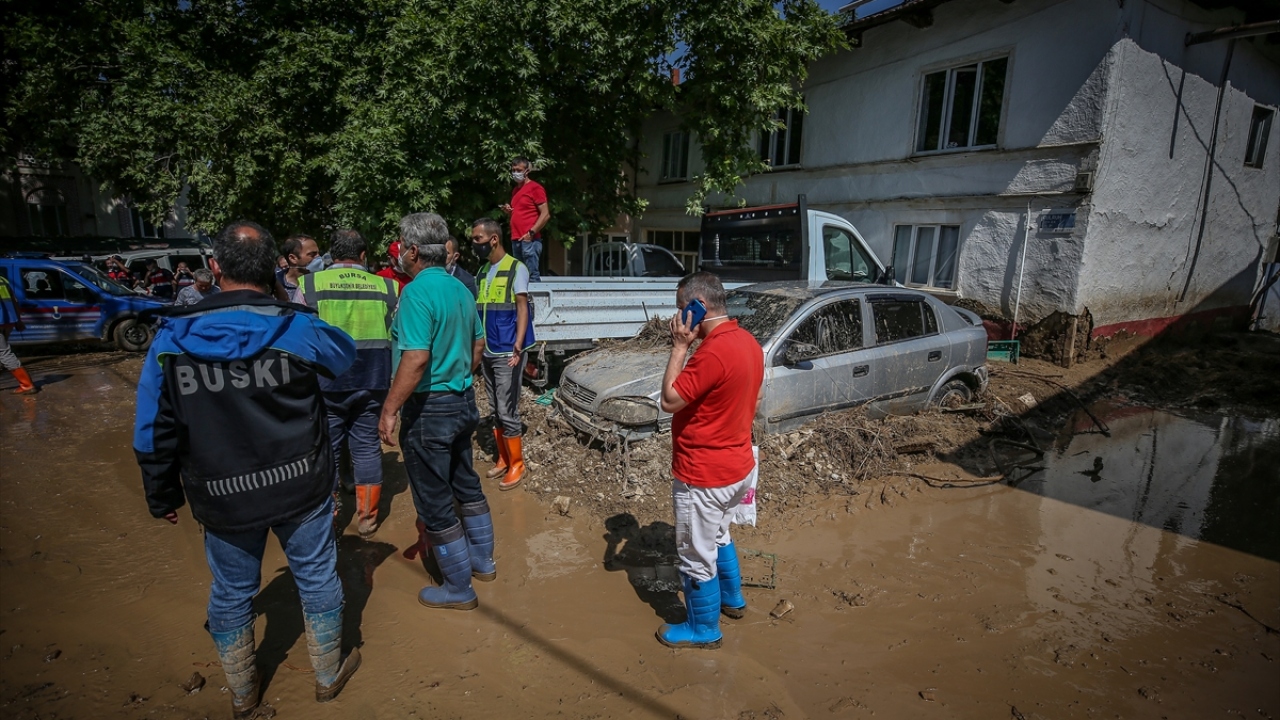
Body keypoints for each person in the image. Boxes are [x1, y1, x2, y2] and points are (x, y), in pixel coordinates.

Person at [132, 221, 360, 717]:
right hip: (301, 484)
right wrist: (285, 298)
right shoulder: (297, 328)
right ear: (274, 270)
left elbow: (152, 427)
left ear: (214, 269)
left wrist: (161, 494)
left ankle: (242, 694)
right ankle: (326, 677)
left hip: (221, 491)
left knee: (233, 590)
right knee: (317, 577)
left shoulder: (172, 338)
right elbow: (345, 358)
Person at [378, 212, 494, 611]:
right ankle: (483, 563)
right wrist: (457, 374)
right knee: (467, 483)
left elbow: (415, 358)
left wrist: (390, 409)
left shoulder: (414, 293)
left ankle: (458, 588)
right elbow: (478, 346)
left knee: (434, 501)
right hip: (463, 401)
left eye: (399, 245)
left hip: (430, 407)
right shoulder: (461, 288)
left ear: (412, 251)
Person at [655, 272, 764, 650]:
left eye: (680, 310)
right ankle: (733, 601)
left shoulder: (713, 351)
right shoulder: (747, 342)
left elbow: (669, 400)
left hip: (704, 474)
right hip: (737, 468)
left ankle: (704, 629)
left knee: (695, 554)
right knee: (720, 535)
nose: (677, 318)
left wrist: (679, 346)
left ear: (695, 308)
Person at [301, 229, 399, 538]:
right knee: (368, 447)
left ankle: (329, 516)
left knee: (326, 449)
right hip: (373, 379)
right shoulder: (388, 286)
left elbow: (301, 336)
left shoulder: (310, 284)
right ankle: (367, 519)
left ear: (331, 254)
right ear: (363, 256)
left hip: (327, 381)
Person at [471, 217, 536, 491]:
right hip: (487, 349)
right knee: (495, 407)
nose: (475, 244)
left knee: (507, 409)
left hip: (508, 351)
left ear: (493, 239)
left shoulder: (516, 268)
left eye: (478, 239)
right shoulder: (482, 271)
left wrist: (519, 346)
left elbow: (522, 308)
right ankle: (503, 457)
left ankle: (517, 464)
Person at [499, 156, 549, 282]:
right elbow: (522, 213)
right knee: (520, 278)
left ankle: (536, 301)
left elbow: (545, 214)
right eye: (513, 170)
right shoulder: (516, 190)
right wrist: (510, 211)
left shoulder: (535, 188)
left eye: (519, 170)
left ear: (527, 171)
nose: (516, 173)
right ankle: (522, 302)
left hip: (529, 240)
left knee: (532, 277)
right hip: (516, 239)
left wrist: (531, 233)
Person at [0, 275, 38, 394]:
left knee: (4, 353)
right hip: (8, 322)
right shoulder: (2, 279)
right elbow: (14, 301)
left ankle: (27, 385)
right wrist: (18, 320)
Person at [276, 234, 322, 304]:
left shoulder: (322, 282)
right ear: (293, 258)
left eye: (318, 253)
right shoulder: (275, 284)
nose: (318, 258)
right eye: (312, 254)